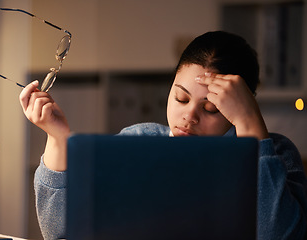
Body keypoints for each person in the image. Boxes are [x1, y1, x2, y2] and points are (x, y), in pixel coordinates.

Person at [19, 31, 307, 240]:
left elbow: (280, 234)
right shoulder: (138, 141)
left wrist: (251, 125)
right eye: (181, 98)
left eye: (211, 109)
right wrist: (57, 138)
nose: (189, 116)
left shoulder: (276, 154)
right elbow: (58, 231)